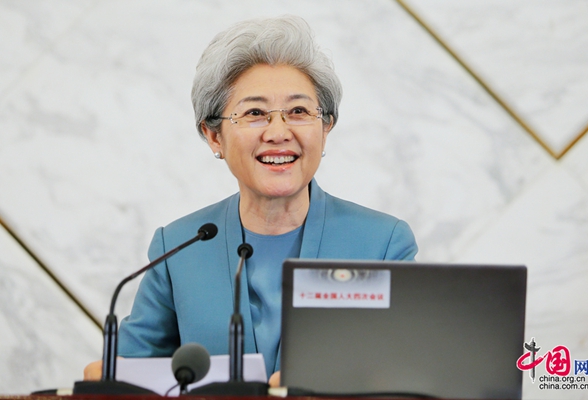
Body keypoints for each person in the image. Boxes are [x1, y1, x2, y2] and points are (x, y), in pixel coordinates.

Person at [84, 15, 417, 386]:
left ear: (325, 128)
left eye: (299, 111)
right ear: (214, 136)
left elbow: (413, 375)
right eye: (255, 113)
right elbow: (120, 376)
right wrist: (109, 377)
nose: (278, 132)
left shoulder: (381, 243)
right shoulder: (178, 248)